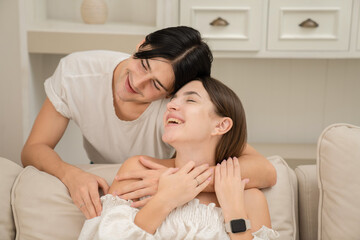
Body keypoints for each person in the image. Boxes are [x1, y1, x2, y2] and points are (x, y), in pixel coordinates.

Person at [21, 26, 276, 219]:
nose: (136, 83)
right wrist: (70, 174)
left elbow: (264, 169)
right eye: (143, 65)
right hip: (108, 174)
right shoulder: (76, 73)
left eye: (155, 84)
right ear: (142, 44)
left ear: (170, 94)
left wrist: (175, 180)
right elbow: (34, 148)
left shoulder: (175, 108)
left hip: (159, 177)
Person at [78, 77, 280, 240]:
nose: (172, 105)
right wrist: (166, 199)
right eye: (173, 99)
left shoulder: (248, 198)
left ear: (221, 126)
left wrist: (235, 213)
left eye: (190, 100)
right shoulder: (139, 171)